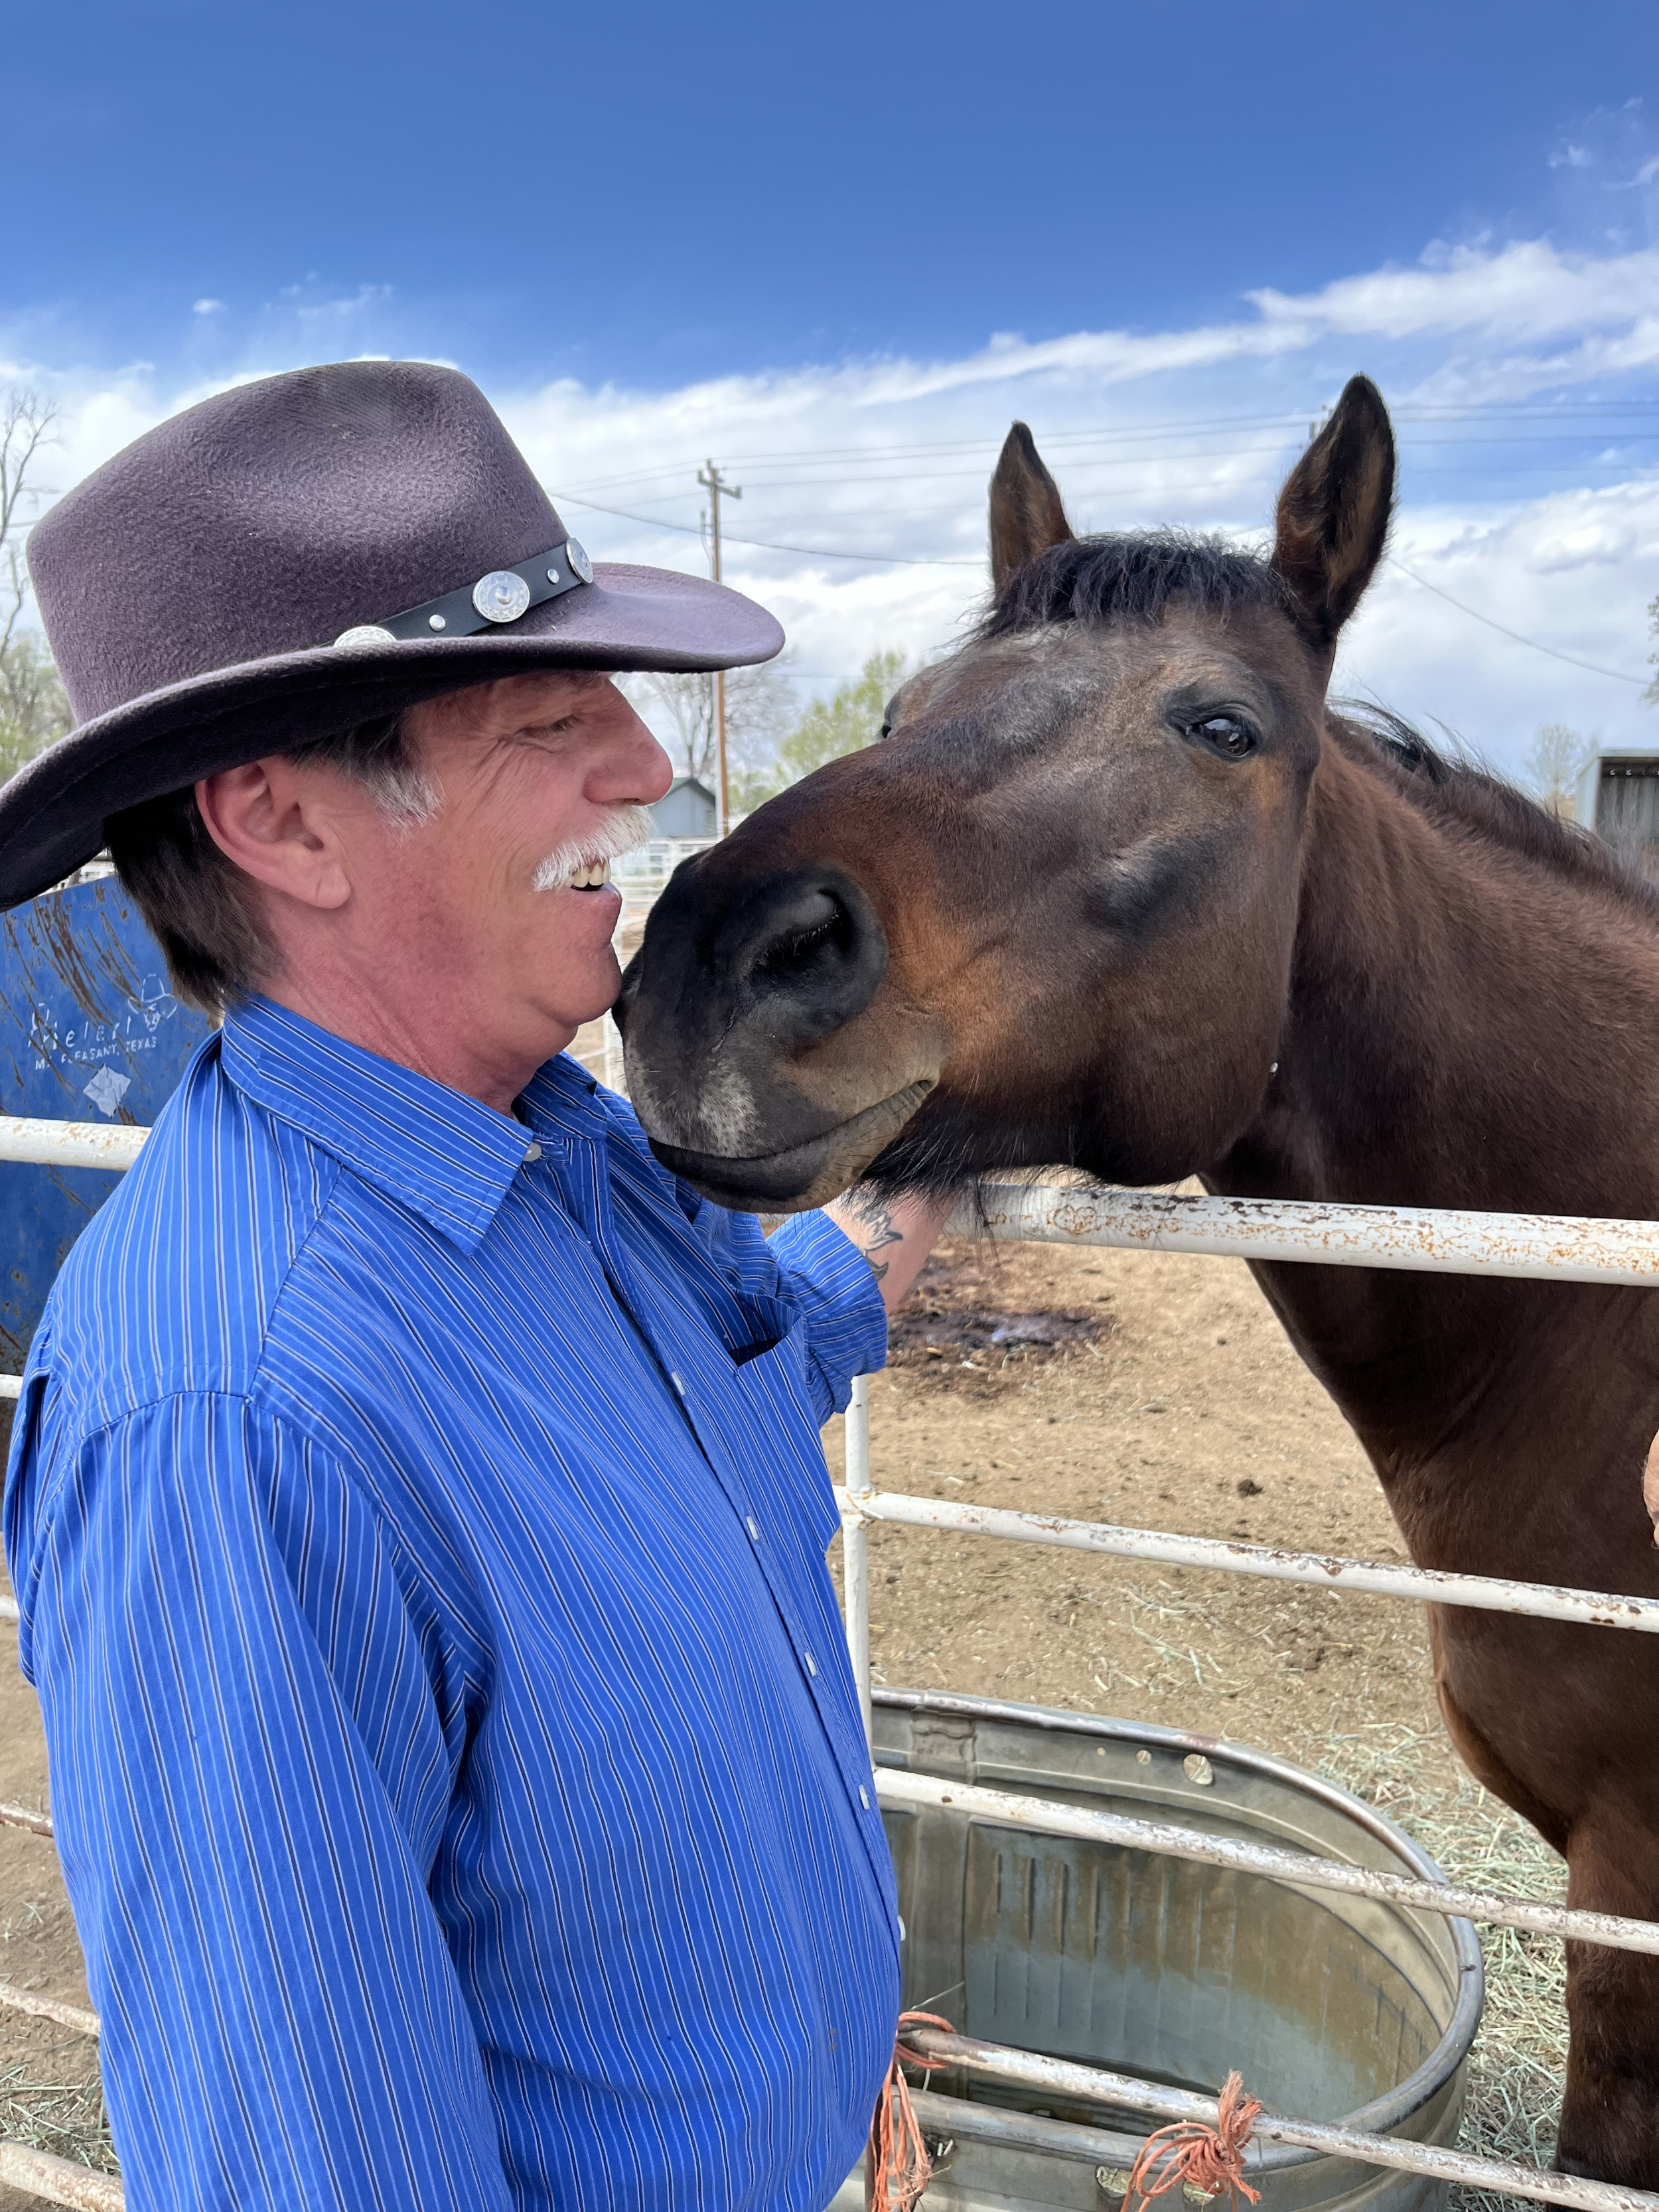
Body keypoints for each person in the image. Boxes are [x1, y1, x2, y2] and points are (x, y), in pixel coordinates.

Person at [1, 362, 948, 2210]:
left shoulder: (547, 1154)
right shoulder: (240, 1419)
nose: (649, 765)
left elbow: (755, 1355)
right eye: (546, 718)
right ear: (282, 824)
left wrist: (931, 1158)